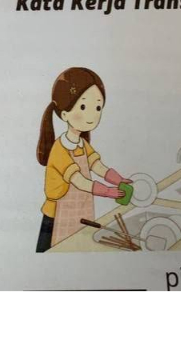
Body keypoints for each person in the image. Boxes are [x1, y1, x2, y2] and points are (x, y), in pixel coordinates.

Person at [35, 66, 131, 252]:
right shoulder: (59, 150)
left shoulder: (82, 144)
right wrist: (108, 192)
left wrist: (119, 180)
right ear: (64, 114)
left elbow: (98, 166)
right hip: (56, 216)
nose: (92, 115)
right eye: (83, 107)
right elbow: (79, 181)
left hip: (80, 210)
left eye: (98, 107)